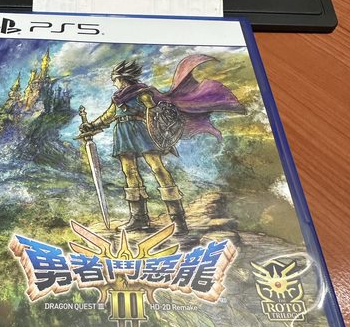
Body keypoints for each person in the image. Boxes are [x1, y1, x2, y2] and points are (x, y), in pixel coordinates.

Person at [81, 56, 244, 233]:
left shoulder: (143, 93)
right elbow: (108, 116)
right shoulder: (117, 99)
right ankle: (138, 218)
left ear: (123, 78)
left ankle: (178, 219)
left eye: (115, 79)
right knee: (129, 172)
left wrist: (156, 121)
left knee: (158, 168)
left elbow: (158, 114)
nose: (114, 83)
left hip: (142, 132)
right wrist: (92, 125)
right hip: (123, 133)